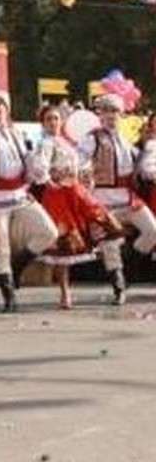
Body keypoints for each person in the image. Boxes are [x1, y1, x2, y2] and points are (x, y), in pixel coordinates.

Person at [0, 88, 59, 312]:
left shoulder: (17, 133)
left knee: (49, 232)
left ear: (7, 109)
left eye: (1, 104)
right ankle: (8, 294)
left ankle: (19, 264)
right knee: (2, 247)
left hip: (19, 193)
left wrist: (39, 167)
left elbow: (29, 161)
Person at [29, 103, 123, 311]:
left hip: (75, 190)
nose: (53, 123)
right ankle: (65, 292)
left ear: (61, 122)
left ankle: (109, 252)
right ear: (43, 124)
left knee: (101, 217)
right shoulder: (44, 143)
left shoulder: (67, 143)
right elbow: (39, 167)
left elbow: (80, 165)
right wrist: (49, 181)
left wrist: (85, 178)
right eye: (49, 120)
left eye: (56, 119)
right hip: (58, 196)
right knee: (64, 244)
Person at [79, 92, 156, 305]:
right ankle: (118, 287)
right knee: (110, 245)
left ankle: (128, 266)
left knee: (153, 231)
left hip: (127, 197)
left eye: (115, 111)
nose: (111, 115)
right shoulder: (92, 137)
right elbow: (80, 159)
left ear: (121, 114)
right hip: (103, 198)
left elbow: (141, 165)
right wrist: (83, 171)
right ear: (99, 114)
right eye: (106, 111)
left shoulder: (124, 139)